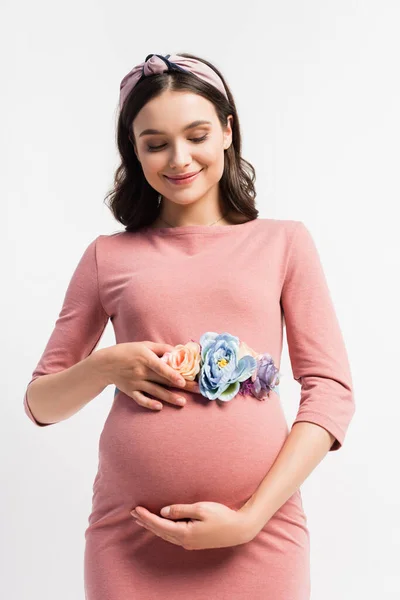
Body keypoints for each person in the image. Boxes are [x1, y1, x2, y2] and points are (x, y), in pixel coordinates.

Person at [23, 52, 355, 600]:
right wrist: (106, 365)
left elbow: (332, 393)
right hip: (128, 542)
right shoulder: (108, 255)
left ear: (227, 132)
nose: (179, 158)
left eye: (196, 135)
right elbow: (41, 404)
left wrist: (249, 519)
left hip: (261, 537)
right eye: (155, 143)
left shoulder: (284, 243)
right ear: (136, 151)